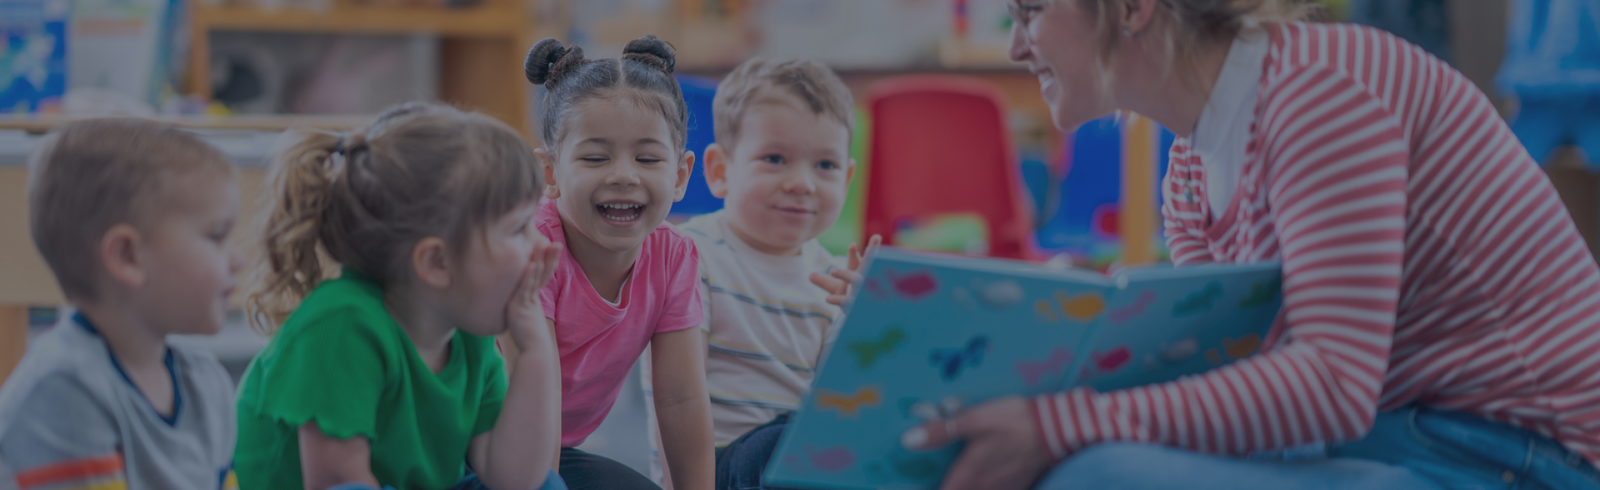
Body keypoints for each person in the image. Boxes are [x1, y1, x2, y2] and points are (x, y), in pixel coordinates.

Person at [901, 1, 1600, 489]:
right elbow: (1227, 371)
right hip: (1401, 435)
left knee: (1093, 474)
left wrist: (1060, 425)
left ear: (1131, 8)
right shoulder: (1189, 170)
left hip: (1524, 459)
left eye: (1029, 11)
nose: (1015, 46)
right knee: (1057, 458)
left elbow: (1331, 384)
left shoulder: (1320, 93)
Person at [232, 102, 566, 490]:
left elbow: (516, 479)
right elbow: (337, 481)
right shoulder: (341, 325)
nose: (542, 245)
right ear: (437, 262)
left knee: (545, 486)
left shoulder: (469, 332)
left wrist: (534, 353)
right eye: (519, 229)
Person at [515, 35, 715, 490]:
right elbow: (533, 398)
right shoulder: (531, 247)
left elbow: (681, 400)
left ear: (681, 174)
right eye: (595, 157)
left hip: (554, 451)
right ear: (550, 173)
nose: (624, 175)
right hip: (467, 443)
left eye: (647, 158)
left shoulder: (673, 255)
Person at [0, 119, 242, 490]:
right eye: (217, 236)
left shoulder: (206, 383)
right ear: (128, 256)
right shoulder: (65, 387)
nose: (238, 259)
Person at [674, 56, 879, 490]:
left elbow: (840, 404)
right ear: (720, 171)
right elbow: (675, 398)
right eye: (774, 158)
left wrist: (861, 324)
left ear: (847, 180)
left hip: (800, 462)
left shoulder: (833, 277)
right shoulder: (690, 254)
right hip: (715, 466)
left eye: (825, 165)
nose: (802, 182)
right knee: (779, 444)